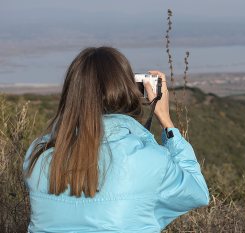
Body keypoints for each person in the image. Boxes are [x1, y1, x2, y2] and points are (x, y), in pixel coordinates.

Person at [22, 46, 210, 233]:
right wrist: (166, 121)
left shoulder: (39, 154)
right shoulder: (147, 160)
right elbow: (198, 193)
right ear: (127, 90)